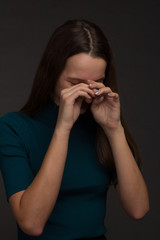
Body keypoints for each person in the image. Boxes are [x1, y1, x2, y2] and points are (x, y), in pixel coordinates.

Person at [0, 19, 149, 240]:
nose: (86, 92)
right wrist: (63, 128)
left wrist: (114, 129)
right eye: (74, 83)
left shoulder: (102, 126)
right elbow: (31, 224)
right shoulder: (14, 128)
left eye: (96, 82)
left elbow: (138, 210)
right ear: (52, 75)